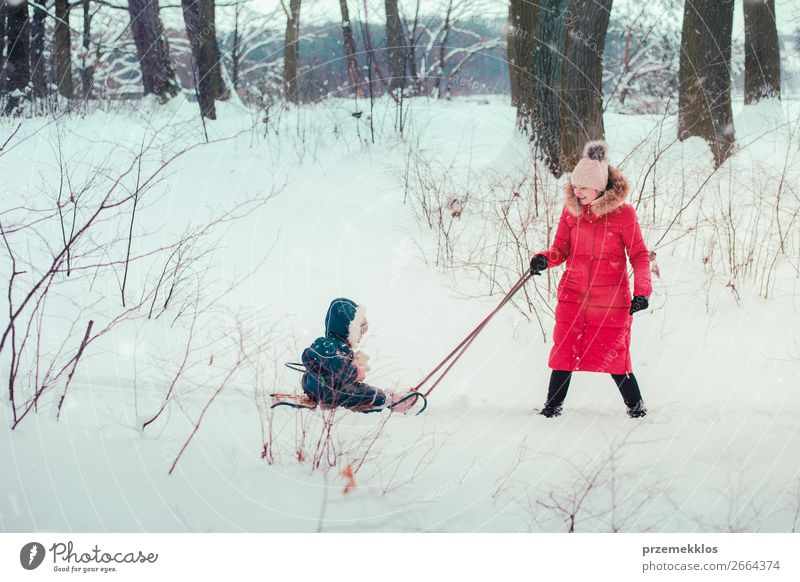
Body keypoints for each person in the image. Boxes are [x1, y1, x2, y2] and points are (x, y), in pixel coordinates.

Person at [529, 140, 652, 419]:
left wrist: (642, 292)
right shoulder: (571, 212)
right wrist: (544, 259)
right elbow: (560, 250)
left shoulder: (623, 215)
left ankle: (636, 409)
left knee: (614, 357)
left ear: (599, 186)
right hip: (573, 296)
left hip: (610, 302)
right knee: (564, 352)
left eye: (583, 186)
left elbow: (639, 256)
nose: (577, 191)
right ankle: (552, 408)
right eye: (575, 185)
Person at [301, 297, 413, 412]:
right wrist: (356, 371)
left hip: (317, 388)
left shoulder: (334, 346)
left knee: (357, 390)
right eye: (360, 332)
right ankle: (390, 401)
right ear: (350, 330)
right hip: (329, 392)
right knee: (366, 393)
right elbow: (339, 370)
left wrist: (352, 363)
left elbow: (331, 366)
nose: (361, 337)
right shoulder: (330, 345)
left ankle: (385, 398)